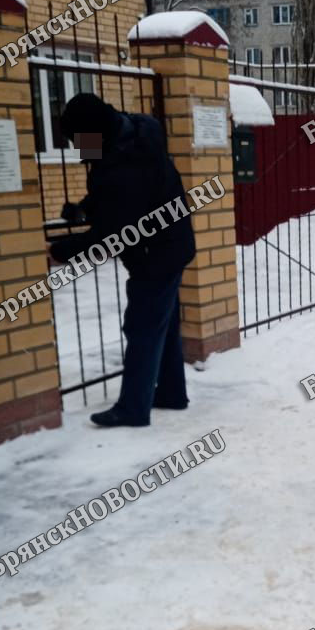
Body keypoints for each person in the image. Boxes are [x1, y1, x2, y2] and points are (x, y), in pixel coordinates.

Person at [48, 93, 196, 428]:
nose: (76, 147)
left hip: (154, 254)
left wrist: (60, 251)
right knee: (164, 323)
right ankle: (172, 392)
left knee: (142, 326)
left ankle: (133, 408)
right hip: (172, 245)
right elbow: (118, 197)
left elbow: (109, 233)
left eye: (77, 139)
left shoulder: (121, 166)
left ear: (93, 132)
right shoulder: (136, 133)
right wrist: (85, 207)